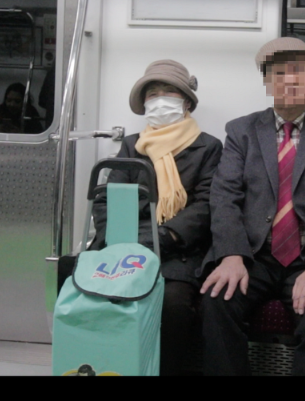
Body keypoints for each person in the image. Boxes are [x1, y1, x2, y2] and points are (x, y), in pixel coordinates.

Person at [200, 37, 305, 376]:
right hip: (254, 254)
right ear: (266, 83)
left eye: (298, 72)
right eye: (279, 74)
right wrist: (232, 255)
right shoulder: (241, 131)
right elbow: (224, 195)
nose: (289, 80)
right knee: (216, 300)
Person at [90, 59, 222, 376]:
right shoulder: (132, 146)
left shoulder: (208, 147)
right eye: (153, 93)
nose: (160, 99)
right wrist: (124, 240)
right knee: (101, 299)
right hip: (127, 246)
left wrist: (164, 236)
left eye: (169, 91)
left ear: (186, 101)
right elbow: (106, 198)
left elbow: (206, 205)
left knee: (173, 306)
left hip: (178, 252)